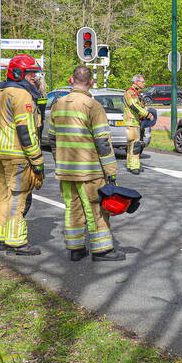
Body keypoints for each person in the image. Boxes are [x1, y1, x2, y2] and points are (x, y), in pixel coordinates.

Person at [50, 66, 123, 262]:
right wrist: (111, 171)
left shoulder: (58, 105)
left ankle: (76, 249)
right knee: (95, 209)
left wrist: (60, 162)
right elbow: (102, 142)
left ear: (70, 80)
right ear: (91, 82)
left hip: (65, 170)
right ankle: (102, 250)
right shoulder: (93, 106)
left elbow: (52, 139)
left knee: (72, 208)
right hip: (89, 171)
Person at [0, 54, 45, 256]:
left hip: (1, 152)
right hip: (18, 154)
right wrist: (37, 160)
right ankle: (17, 242)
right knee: (17, 198)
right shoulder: (22, 95)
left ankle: (2, 237)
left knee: (3, 197)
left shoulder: (1, 92)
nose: (34, 76)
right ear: (18, 73)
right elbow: (26, 131)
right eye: (30, 72)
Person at [123, 74, 152, 174]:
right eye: (142, 82)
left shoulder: (137, 93)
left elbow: (140, 106)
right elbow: (134, 105)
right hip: (131, 122)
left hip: (135, 122)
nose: (144, 84)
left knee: (132, 145)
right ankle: (134, 166)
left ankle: (131, 165)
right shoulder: (130, 92)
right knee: (135, 145)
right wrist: (147, 114)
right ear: (136, 82)